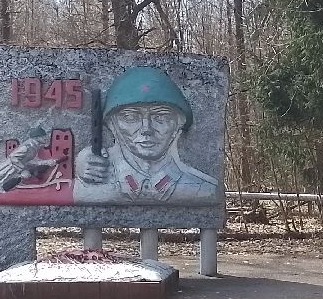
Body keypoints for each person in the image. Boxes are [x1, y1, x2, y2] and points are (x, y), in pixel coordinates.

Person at [75, 67, 219, 204]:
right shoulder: (89, 185)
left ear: (178, 124)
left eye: (161, 117)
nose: (146, 129)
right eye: (131, 118)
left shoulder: (203, 189)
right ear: (112, 124)